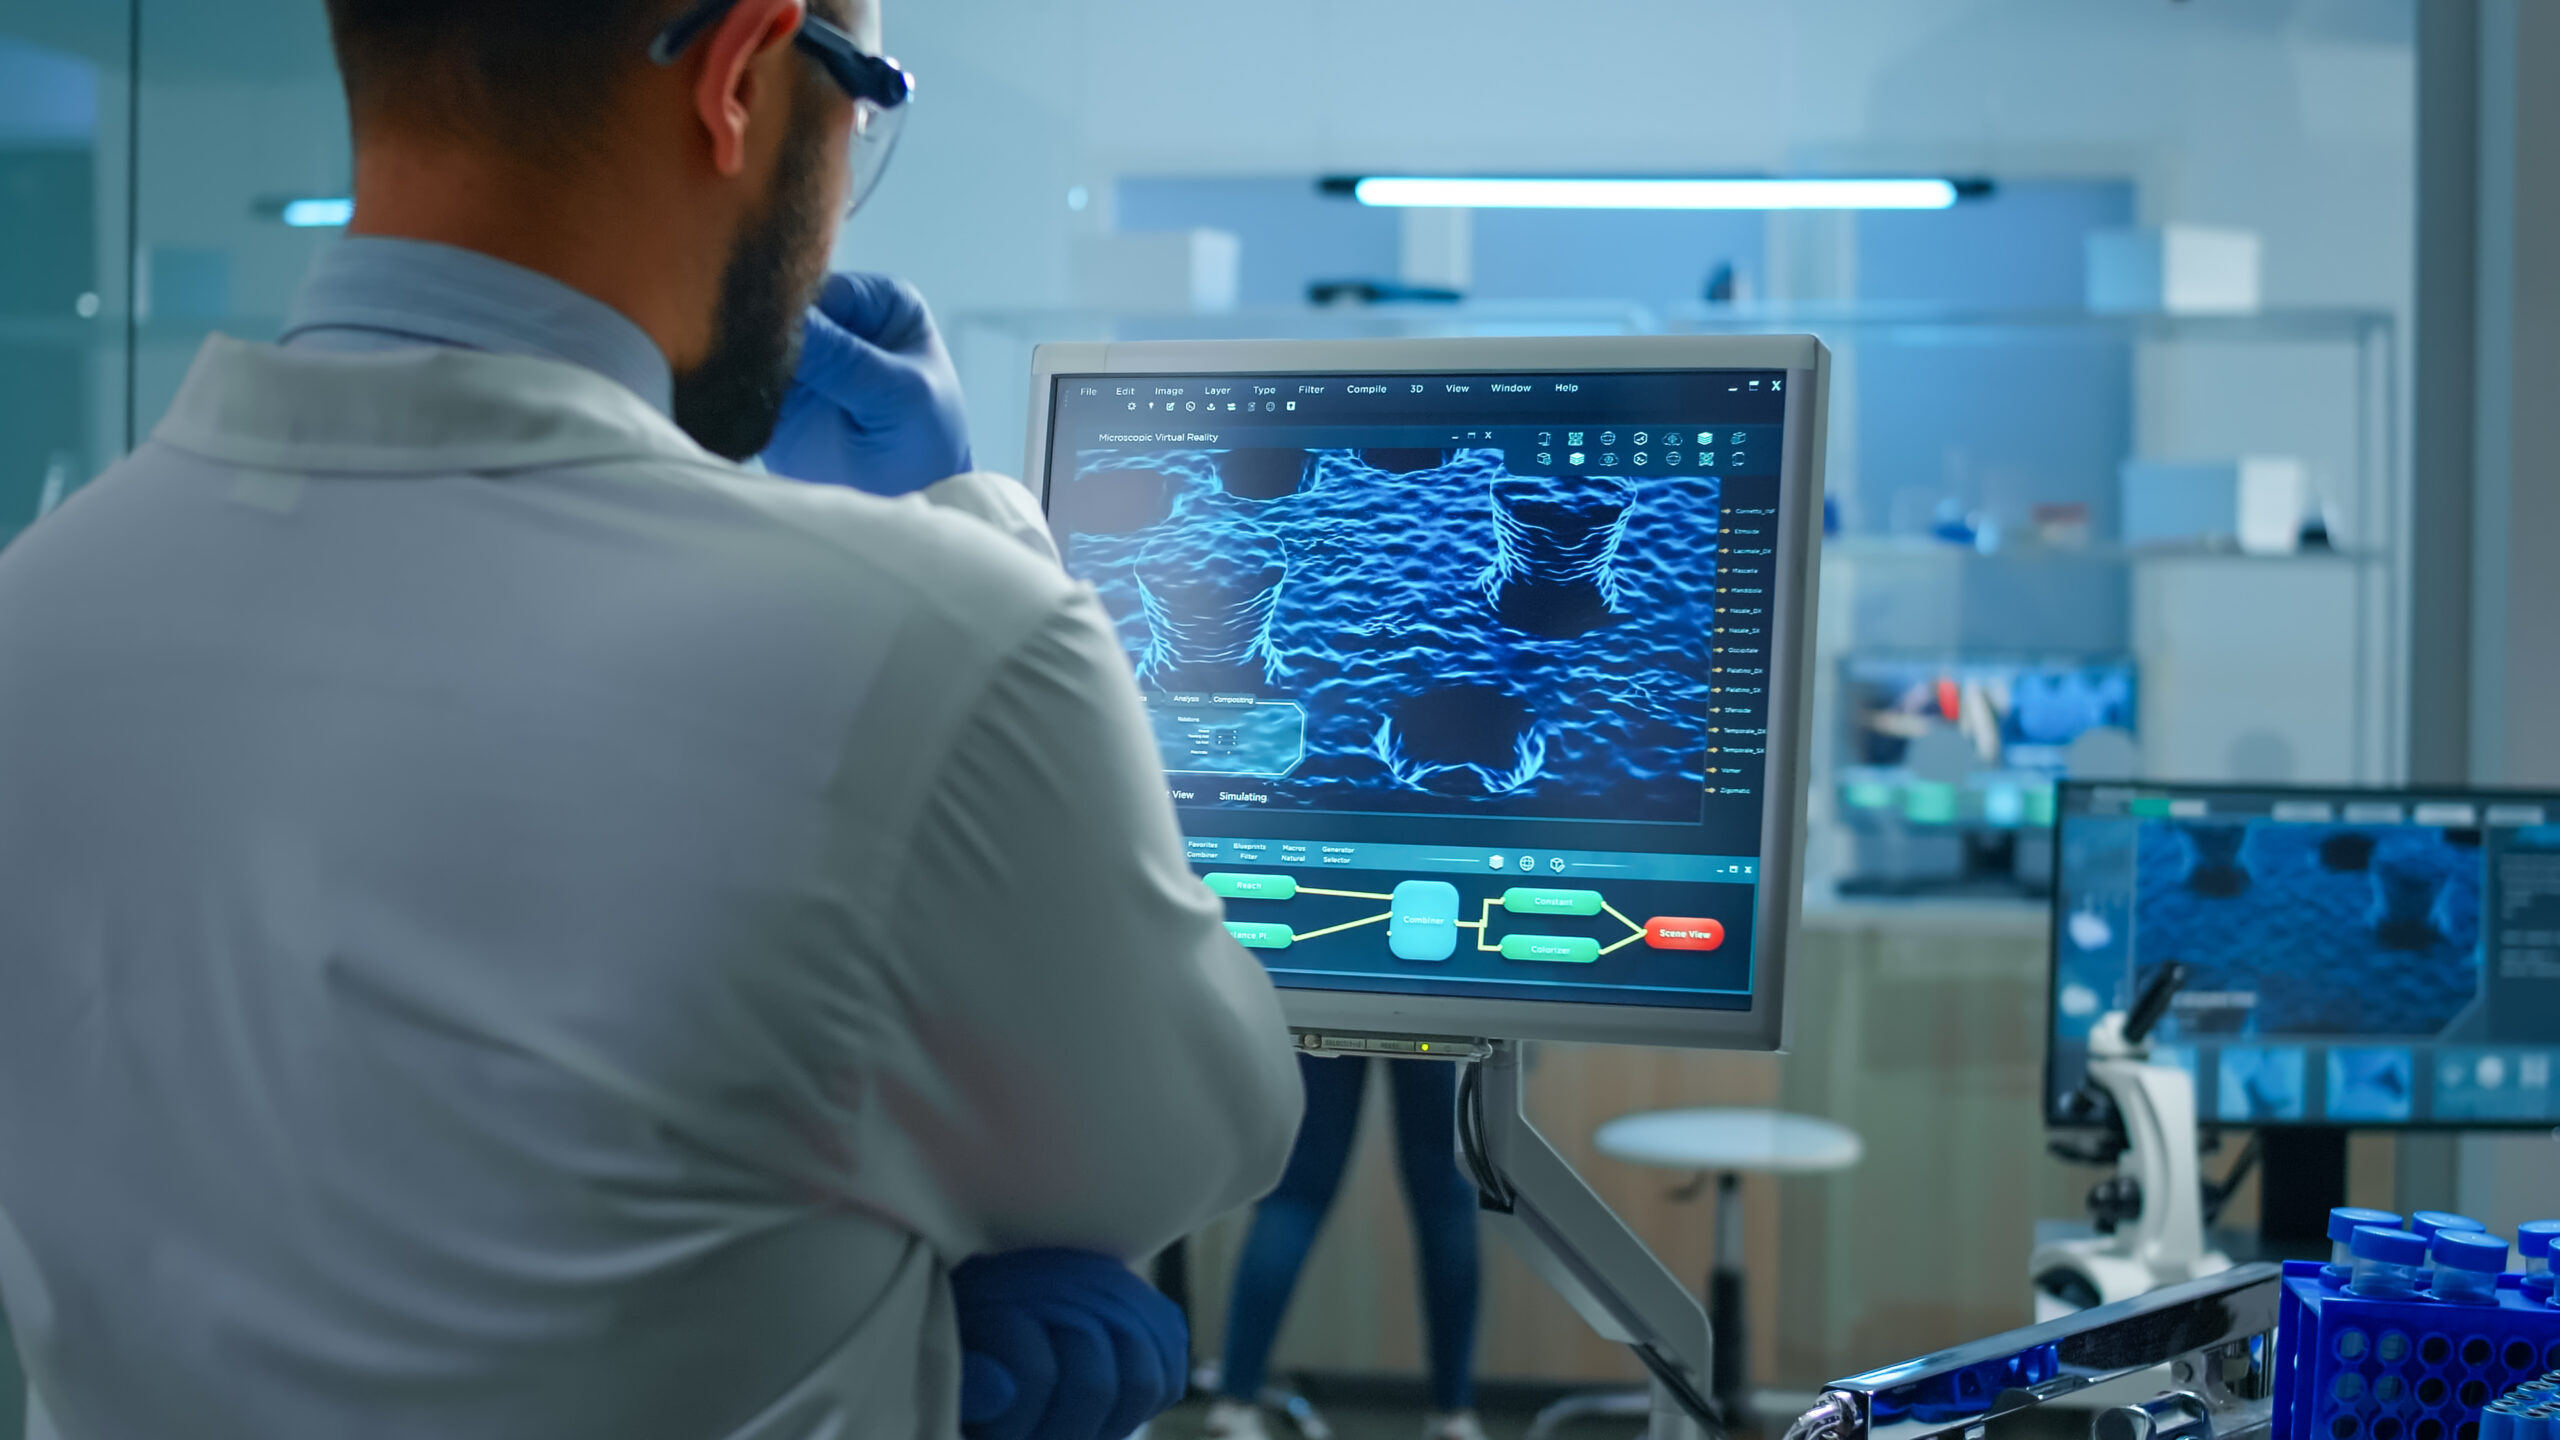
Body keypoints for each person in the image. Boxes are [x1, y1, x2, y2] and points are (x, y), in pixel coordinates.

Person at [0, 1, 1302, 1437]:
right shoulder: (938, 647)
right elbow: (1201, 1133)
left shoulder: (36, 609)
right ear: (740, 74)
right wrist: (958, 530)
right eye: (862, 103)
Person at [1208, 1058, 1484, 1440]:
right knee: (1445, 1194)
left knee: (1296, 1195)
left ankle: (1235, 1404)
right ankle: (1454, 1414)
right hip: (1435, 1004)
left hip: (1340, 1003)